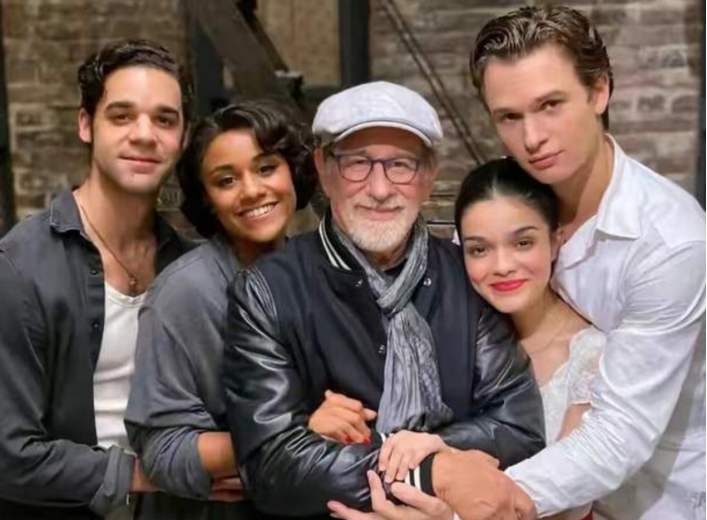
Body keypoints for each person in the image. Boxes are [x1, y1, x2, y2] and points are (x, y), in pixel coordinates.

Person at [369, 6, 705, 520]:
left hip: (661, 500)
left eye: (550, 105)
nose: (532, 138)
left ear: (599, 91)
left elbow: (619, 433)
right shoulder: (503, 204)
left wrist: (470, 502)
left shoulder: (670, 243)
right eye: (509, 117)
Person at [221, 80, 545, 519]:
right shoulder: (266, 291)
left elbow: (518, 427)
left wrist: (428, 452)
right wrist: (435, 473)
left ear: (428, 176)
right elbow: (272, 464)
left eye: (401, 165)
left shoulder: (466, 276)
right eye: (357, 163)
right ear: (323, 168)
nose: (379, 188)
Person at [329, 158, 604, 520]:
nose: (502, 265)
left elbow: (563, 501)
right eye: (479, 249)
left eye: (523, 242)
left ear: (555, 242)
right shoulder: (434, 331)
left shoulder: (593, 357)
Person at [0, 39, 193, 519]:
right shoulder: (20, 267)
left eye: (164, 119)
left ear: (183, 137)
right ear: (86, 124)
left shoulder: (189, 264)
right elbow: (10, 455)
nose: (144, 135)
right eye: (122, 116)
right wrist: (149, 475)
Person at [124, 99, 340, 520]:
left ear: (293, 171)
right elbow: (161, 450)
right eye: (226, 180)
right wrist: (291, 438)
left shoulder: (320, 271)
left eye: (266, 168)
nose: (252, 190)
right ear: (207, 199)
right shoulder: (184, 293)